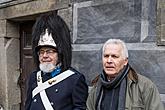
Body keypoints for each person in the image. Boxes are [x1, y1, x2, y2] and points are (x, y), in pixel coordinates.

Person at [25, 11, 88, 110]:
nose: (44, 56)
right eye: (41, 52)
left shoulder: (75, 79)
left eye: (49, 51)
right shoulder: (34, 77)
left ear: (60, 52)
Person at [87, 39, 164, 110]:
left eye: (114, 56)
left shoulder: (144, 86)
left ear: (125, 61)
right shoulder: (96, 87)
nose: (109, 60)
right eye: (106, 56)